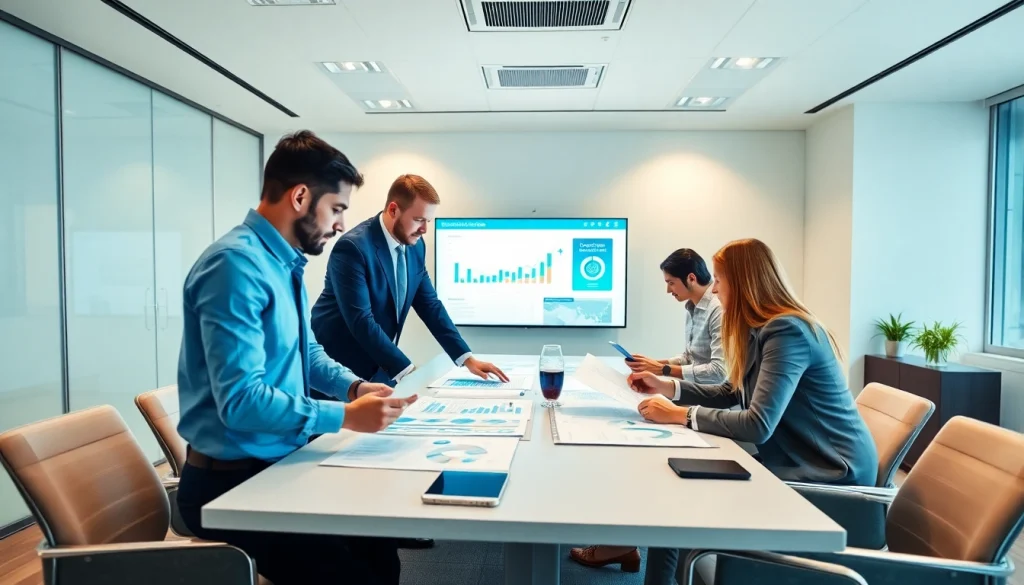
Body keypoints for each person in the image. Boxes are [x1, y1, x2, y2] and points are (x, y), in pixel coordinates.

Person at [175, 130, 416, 585]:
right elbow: (243, 401)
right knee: (355, 574)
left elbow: (305, 350)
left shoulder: (280, 263)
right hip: (231, 486)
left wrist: (354, 387)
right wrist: (345, 415)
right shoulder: (235, 266)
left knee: (379, 541)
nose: (342, 224)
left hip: (276, 462)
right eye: (338, 208)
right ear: (301, 196)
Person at [627, 238, 878, 585]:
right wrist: (668, 387)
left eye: (719, 279)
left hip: (831, 475)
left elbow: (758, 424)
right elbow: (733, 391)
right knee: (678, 493)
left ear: (743, 282)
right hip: (796, 459)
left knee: (683, 497)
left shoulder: (787, 330)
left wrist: (679, 415)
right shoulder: (762, 329)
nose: (713, 289)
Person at [569, 248, 727, 573]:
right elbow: (690, 357)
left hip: (707, 404)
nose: (668, 289)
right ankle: (622, 543)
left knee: (648, 460)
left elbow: (718, 371)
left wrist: (664, 374)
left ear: (691, 278)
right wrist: (656, 364)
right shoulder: (692, 307)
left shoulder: (718, 311)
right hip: (687, 396)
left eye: (671, 282)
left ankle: (621, 544)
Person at [310, 173, 508, 387]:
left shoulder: (415, 246)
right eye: (418, 219)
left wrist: (466, 358)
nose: (424, 229)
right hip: (338, 371)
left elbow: (430, 305)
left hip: (381, 367)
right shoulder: (353, 248)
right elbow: (361, 320)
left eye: (428, 221)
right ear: (393, 210)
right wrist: (409, 372)